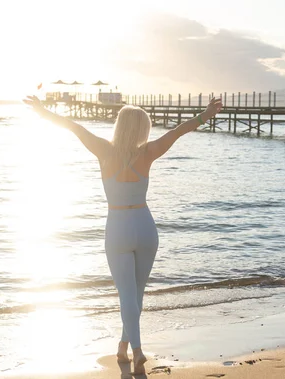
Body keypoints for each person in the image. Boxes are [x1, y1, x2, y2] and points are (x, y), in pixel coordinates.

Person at [22, 95, 223, 374]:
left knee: (127, 295)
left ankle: (137, 351)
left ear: (119, 126)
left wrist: (42, 111)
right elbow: (177, 131)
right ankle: (123, 346)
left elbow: (72, 126)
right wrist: (205, 115)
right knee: (136, 294)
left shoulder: (104, 150)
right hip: (144, 225)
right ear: (142, 129)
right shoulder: (148, 152)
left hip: (118, 226)